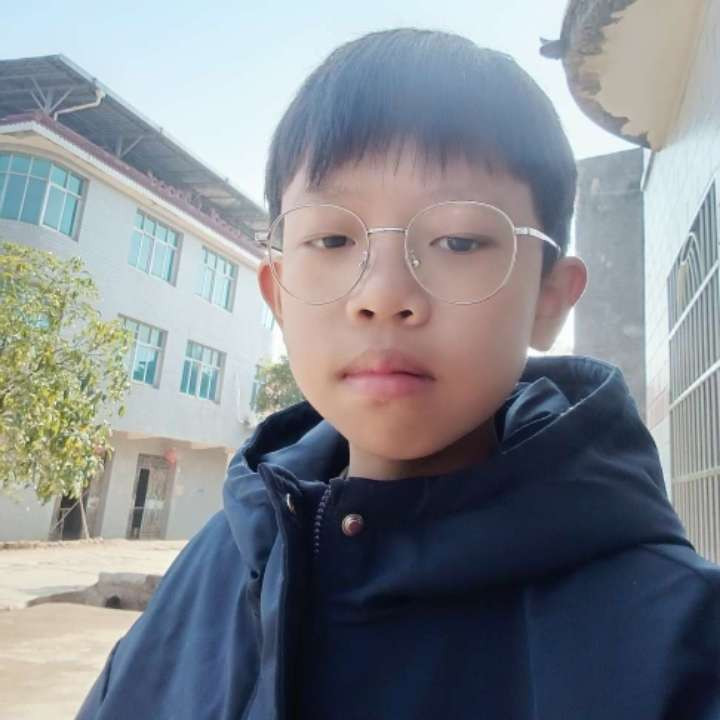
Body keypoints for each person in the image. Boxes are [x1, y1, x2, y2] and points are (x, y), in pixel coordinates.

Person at [77, 28, 720, 720]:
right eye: (331, 238)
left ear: (550, 298)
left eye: (458, 240)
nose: (383, 294)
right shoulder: (217, 565)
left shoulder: (680, 643)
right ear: (278, 294)